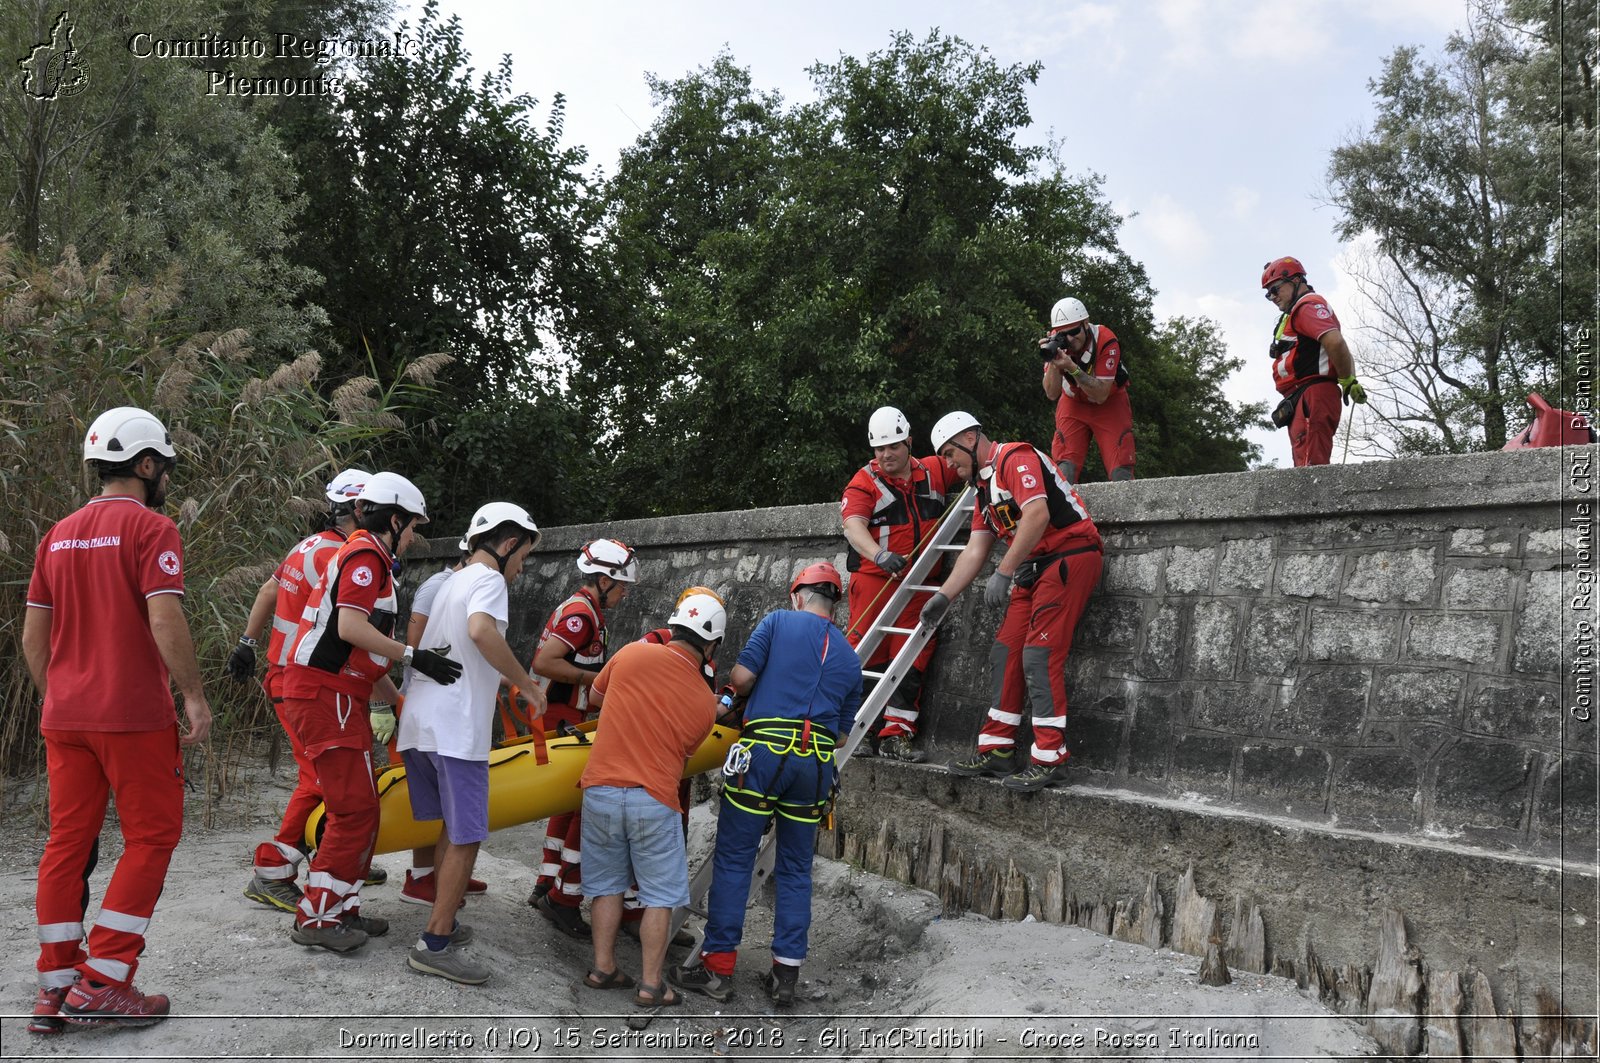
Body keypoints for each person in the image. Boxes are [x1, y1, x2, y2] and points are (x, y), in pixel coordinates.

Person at [22, 406, 212, 1030]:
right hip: (131, 716)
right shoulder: (152, 530)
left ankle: (56, 987)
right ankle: (104, 979)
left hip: (65, 715)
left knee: (67, 841)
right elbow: (164, 618)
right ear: (146, 464)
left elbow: (33, 636)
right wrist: (192, 694)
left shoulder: (58, 533)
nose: (166, 480)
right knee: (152, 837)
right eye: (164, 468)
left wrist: (60, 692)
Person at [279, 471, 463, 952]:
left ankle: (342, 908)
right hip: (325, 694)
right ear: (395, 518)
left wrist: (398, 701)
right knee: (353, 809)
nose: (413, 537)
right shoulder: (366, 555)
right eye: (411, 527)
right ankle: (319, 918)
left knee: (360, 808)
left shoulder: (367, 556)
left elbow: (360, 655)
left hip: (337, 691)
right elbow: (351, 628)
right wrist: (412, 655)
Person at [671, 563, 862, 1006]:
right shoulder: (850, 657)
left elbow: (740, 680)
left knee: (736, 860)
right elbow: (840, 736)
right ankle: (786, 975)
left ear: (798, 594)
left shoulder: (778, 622)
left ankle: (716, 968)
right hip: (814, 767)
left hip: (762, 757)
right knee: (795, 870)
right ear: (835, 603)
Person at [399, 502, 546, 984]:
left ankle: (445, 920)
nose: (522, 567)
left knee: (450, 828)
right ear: (507, 545)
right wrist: (525, 682)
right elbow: (482, 631)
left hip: (421, 725)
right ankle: (434, 943)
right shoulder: (489, 581)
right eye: (523, 556)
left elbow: (460, 644)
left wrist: (497, 677)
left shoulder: (449, 582)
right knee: (467, 834)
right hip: (456, 731)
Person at [922, 412, 1103, 793]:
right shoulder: (982, 489)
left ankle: (1051, 758)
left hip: (1068, 556)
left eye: (951, 454)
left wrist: (1004, 571)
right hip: (1033, 566)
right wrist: (943, 597)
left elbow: (1036, 515)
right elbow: (975, 549)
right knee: (1006, 652)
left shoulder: (1014, 459)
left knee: (1039, 655)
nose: (950, 465)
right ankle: (997, 748)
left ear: (971, 438)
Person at [232, 468, 370, 912]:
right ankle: (272, 871)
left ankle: (333, 849)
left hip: (284, 673)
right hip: (304, 682)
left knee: (320, 773)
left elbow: (269, 589)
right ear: (362, 509)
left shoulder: (309, 545)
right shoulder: (345, 557)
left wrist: (247, 643)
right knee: (319, 777)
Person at [579, 592, 724, 1008]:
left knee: (606, 886)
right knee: (659, 896)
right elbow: (688, 753)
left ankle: (603, 968)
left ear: (673, 626)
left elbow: (596, 699)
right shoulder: (703, 701)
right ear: (711, 645)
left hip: (601, 788)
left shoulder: (630, 654)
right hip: (654, 799)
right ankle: (651, 985)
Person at [528, 538, 639, 937]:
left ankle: (547, 880)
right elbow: (544, 662)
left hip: (564, 714)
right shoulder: (581, 615)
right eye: (622, 584)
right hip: (560, 716)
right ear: (604, 579)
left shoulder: (588, 611)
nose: (625, 592)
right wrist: (601, 679)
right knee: (582, 807)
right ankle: (563, 895)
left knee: (567, 803)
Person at [839, 406, 959, 762]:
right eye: (879, 449)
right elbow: (853, 526)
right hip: (875, 583)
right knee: (867, 655)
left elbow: (969, 465)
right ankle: (857, 731)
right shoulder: (864, 482)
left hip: (920, 586)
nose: (886, 455)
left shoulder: (934, 470)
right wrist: (878, 555)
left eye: (893, 446)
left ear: (909, 442)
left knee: (911, 659)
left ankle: (896, 734)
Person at [386, 536, 490, 908]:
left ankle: (441, 875)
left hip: (437, 706)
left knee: (443, 809)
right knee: (434, 807)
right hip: (427, 706)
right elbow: (417, 649)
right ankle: (422, 878)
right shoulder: (439, 586)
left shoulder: (459, 586)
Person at [1261, 257, 1368, 466]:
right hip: (1302, 397)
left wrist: (1347, 379)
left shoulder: (1307, 306)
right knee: (1305, 463)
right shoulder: (1296, 311)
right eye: (1268, 294)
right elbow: (1336, 346)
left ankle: (1315, 500)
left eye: (1275, 289)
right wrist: (1351, 379)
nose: (1272, 297)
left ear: (1297, 280)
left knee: (1311, 467)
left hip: (1313, 394)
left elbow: (1335, 342)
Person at [1040, 296, 1135, 483]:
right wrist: (1053, 362)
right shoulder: (1056, 342)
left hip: (1109, 402)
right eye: (1063, 333)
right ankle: (1066, 510)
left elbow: (1100, 394)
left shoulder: (1106, 340)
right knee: (1064, 468)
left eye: (1074, 331)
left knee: (1120, 470)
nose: (1069, 338)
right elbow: (1051, 393)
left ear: (1085, 323)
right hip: (1073, 402)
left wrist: (1072, 368)